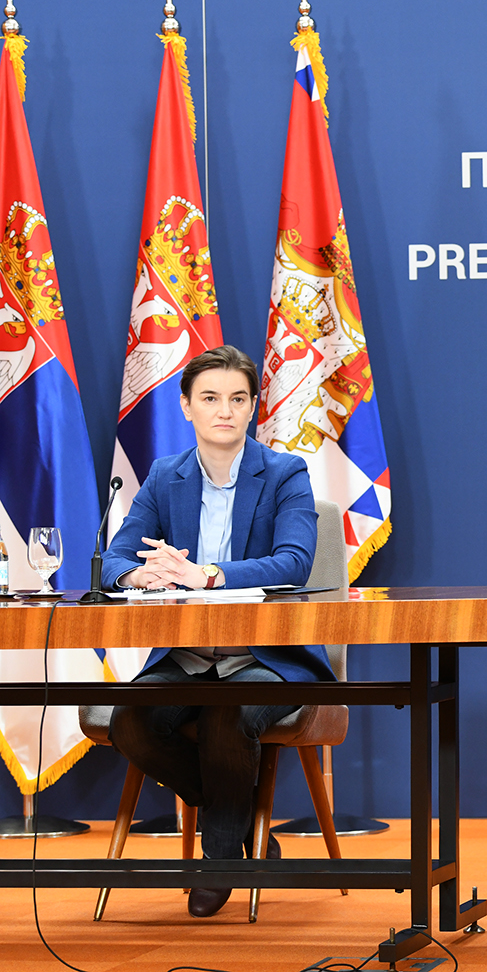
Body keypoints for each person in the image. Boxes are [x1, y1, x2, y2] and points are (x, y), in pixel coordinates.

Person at [102, 345, 332, 919]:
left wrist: (207, 575)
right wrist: (141, 572)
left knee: (227, 714)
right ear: (186, 407)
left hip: (266, 655)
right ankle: (240, 824)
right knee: (130, 721)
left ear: (253, 407)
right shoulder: (164, 476)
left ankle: (222, 857)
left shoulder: (285, 472)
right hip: (184, 655)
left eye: (237, 399)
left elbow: (294, 563)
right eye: (209, 398)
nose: (223, 411)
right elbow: (114, 561)